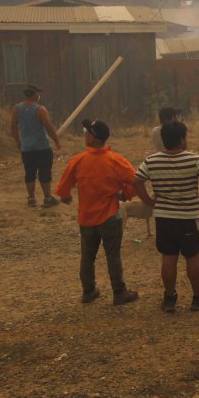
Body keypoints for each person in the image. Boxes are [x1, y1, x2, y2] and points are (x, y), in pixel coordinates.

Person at [133, 121, 199, 313]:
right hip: (188, 217)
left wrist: (148, 200)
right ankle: (198, 298)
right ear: (182, 140)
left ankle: (169, 298)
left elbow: (136, 181)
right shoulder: (194, 159)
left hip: (163, 217)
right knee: (193, 257)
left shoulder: (151, 161)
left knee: (168, 257)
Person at [55, 119, 140, 306]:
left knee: (87, 256)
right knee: (113, 255)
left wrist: (66, 196)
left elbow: (63, 188)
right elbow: (136, 181)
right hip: (110, 216)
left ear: (92, 138)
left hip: (86, 218)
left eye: (86, 132)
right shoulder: (116, 160)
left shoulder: (78, 160)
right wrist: (125, 194)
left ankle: (88, 291)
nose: (85, 135)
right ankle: (119, 292)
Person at [10, 84, 61, 207]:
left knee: (29, 173)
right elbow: (49, 127)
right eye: (39, 93)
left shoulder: (17, 108)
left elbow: (13, 127)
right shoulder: (40, 110)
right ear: (36, 94)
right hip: (42, 147)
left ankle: (31, 198)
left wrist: (18, 142)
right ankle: (47, 198)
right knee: (44, 173)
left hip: (27, 148)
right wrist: (56, 141)